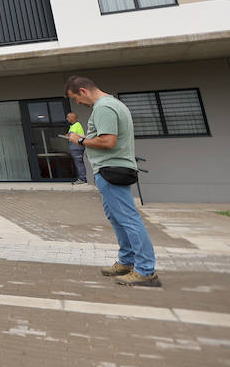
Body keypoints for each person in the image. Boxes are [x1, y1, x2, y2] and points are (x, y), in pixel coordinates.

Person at [65, 76, 160, 287]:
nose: (78, 104)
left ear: (83, 91)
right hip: (110, 169)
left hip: (111, 170)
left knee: (128, 218)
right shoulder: (112, 104)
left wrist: (79, 140)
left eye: (76, 99)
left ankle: (145, 270)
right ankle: (127, 261)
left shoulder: (104, 108)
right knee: (118, 217)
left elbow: (108, 140)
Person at [65, 113, 89, 183]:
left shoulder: (76, 125)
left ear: (71, 118)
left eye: (68, 117)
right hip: (76, 146)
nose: (67, 119)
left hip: (76, 147)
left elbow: (70, 135)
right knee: (78, 162)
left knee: (78, 163)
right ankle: (82, 178)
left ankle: (82, 178)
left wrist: (68, 135)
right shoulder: (74, 125)